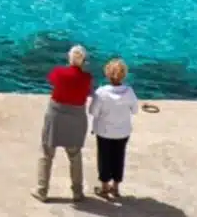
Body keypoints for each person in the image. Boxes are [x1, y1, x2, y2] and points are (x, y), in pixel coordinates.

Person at [35, 44, 92, 202]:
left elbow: (51, 80)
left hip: (56, 116)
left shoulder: (59, 73)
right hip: (76, 118)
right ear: (83, 61)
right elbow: (86, 91)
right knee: (74, 155)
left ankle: (42, 190)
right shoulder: (86, 78)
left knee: (47, 153)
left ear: (69, 58)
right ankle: (77, 192)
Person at [88, 57, 139, 200]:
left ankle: (104, 187)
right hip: (123, 132)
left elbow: (93, 111)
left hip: (104, 132)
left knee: (104, 158)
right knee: (119, 157)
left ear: (107, 74)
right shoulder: (129, 92)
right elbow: (135, 110)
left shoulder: (101, 92)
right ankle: (116, 187)